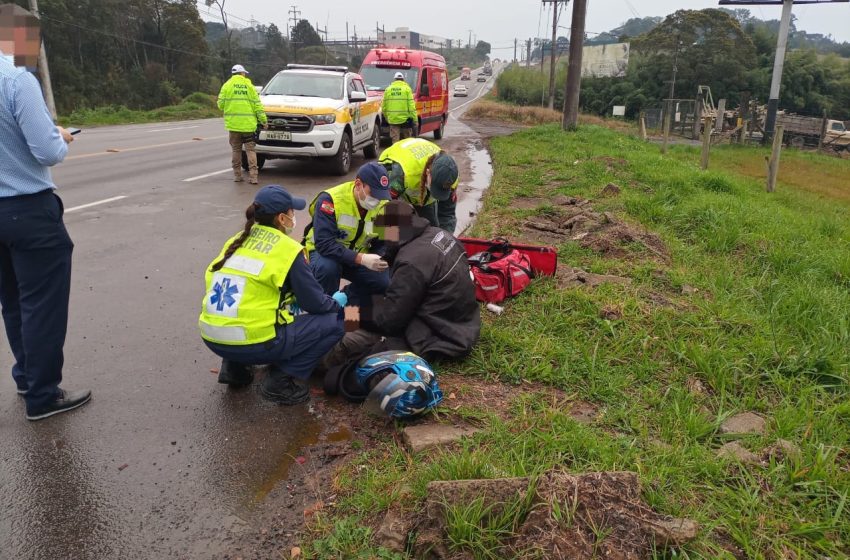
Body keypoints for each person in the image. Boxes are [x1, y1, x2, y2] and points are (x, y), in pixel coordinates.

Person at [1, 44, 91, 420]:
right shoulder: (17, 78)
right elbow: (46, 152)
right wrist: (61, 137)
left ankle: (26, 376)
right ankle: (42, 395)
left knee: (13, 301)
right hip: (26, 209)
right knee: (41, 305)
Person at [199, 185, 345, 405]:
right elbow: (314, 303)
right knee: (335, 323)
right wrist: (336, 303)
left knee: (244, 309)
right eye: (292, 212)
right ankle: (280, 381)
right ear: (281, 218)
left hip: (213, 336)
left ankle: (234, 369)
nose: (294, 216)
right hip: (255, 343)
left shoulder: (236, 240)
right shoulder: (287, 250)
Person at [322, 200, 480, 382]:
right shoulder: (440, 235)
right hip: (462, 321)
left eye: (384, 235)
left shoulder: (411, 263)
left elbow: (389, 321)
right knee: (366, 306)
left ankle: (308, 364)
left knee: (348, 338)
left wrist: (349, 313)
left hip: (438, 334)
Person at [304, 162, 392, 301]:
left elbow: (383, 241)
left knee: (383, 281)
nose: (377, 200)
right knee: (328, 269)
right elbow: (324, 244)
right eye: (373, 194)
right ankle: (324, 310)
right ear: (358, 185)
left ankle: (344, 299)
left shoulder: (383, 205)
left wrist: (381, 257)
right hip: (325, 255)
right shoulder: (330, 200)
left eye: (380, 195)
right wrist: (361, 258)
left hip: (357, 256)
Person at [379, 137, 459, 233]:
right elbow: (384, 207)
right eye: (435, 188)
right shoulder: (403, 174)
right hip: (396, 166)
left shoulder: (451, 175)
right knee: (394, 231)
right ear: (428, 173)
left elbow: (447, 213)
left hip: (417, 182)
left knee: (431, 229)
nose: (436, 194)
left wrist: (446, 238)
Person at [217, 64, 267, 185]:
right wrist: (263, 121)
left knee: (236, 150)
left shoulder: (226, 86)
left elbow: (220, 105)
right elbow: (257, 106)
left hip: (234, 125)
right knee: (250, 150)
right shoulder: (249, 86)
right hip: (248, 125)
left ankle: (237, 176)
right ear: (242, 74)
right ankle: (253, 177)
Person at [382, 71, 417, 144]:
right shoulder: (407, 89)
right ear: (403, 80)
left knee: (395, 141)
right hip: (406, 119)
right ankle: (406, 154)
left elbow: (384, 107)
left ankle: (396, 154)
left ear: (394, 79)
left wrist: (387, 117)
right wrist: (415, 119)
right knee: (407, 141)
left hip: (393, 119)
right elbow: (411, 106)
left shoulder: (388, 89)